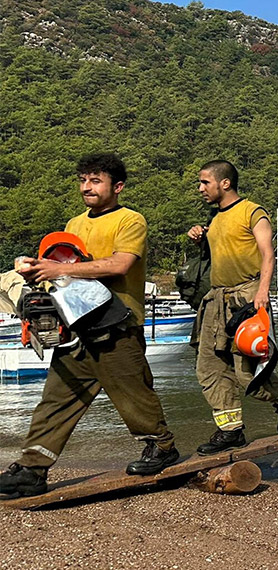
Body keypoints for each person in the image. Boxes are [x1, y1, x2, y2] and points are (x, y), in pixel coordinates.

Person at [1, 154, 178, 497]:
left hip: (118, 324)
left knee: (134, 394)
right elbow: (62, 264)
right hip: (77, 327)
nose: (87, 187)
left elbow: (120, 265)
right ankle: (32, 470)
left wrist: (58, 271)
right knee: (56, 398)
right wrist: (34, 265)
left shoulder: (131, 220)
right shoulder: (74, 224)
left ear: (118, 187)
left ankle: (162, 447)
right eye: (83, 180)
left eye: (96, 181)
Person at [188, 160, 278, 455]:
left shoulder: (253, 212)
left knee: (247, 373)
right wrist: (201, 236)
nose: (200, 188)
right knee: (210, 367)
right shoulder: (215, 220)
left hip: (248, 296)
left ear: (224, 183)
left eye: (205, 182)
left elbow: (268, 254)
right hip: (217, 299)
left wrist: (263, 292)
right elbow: (220, 254)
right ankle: (231, 431)